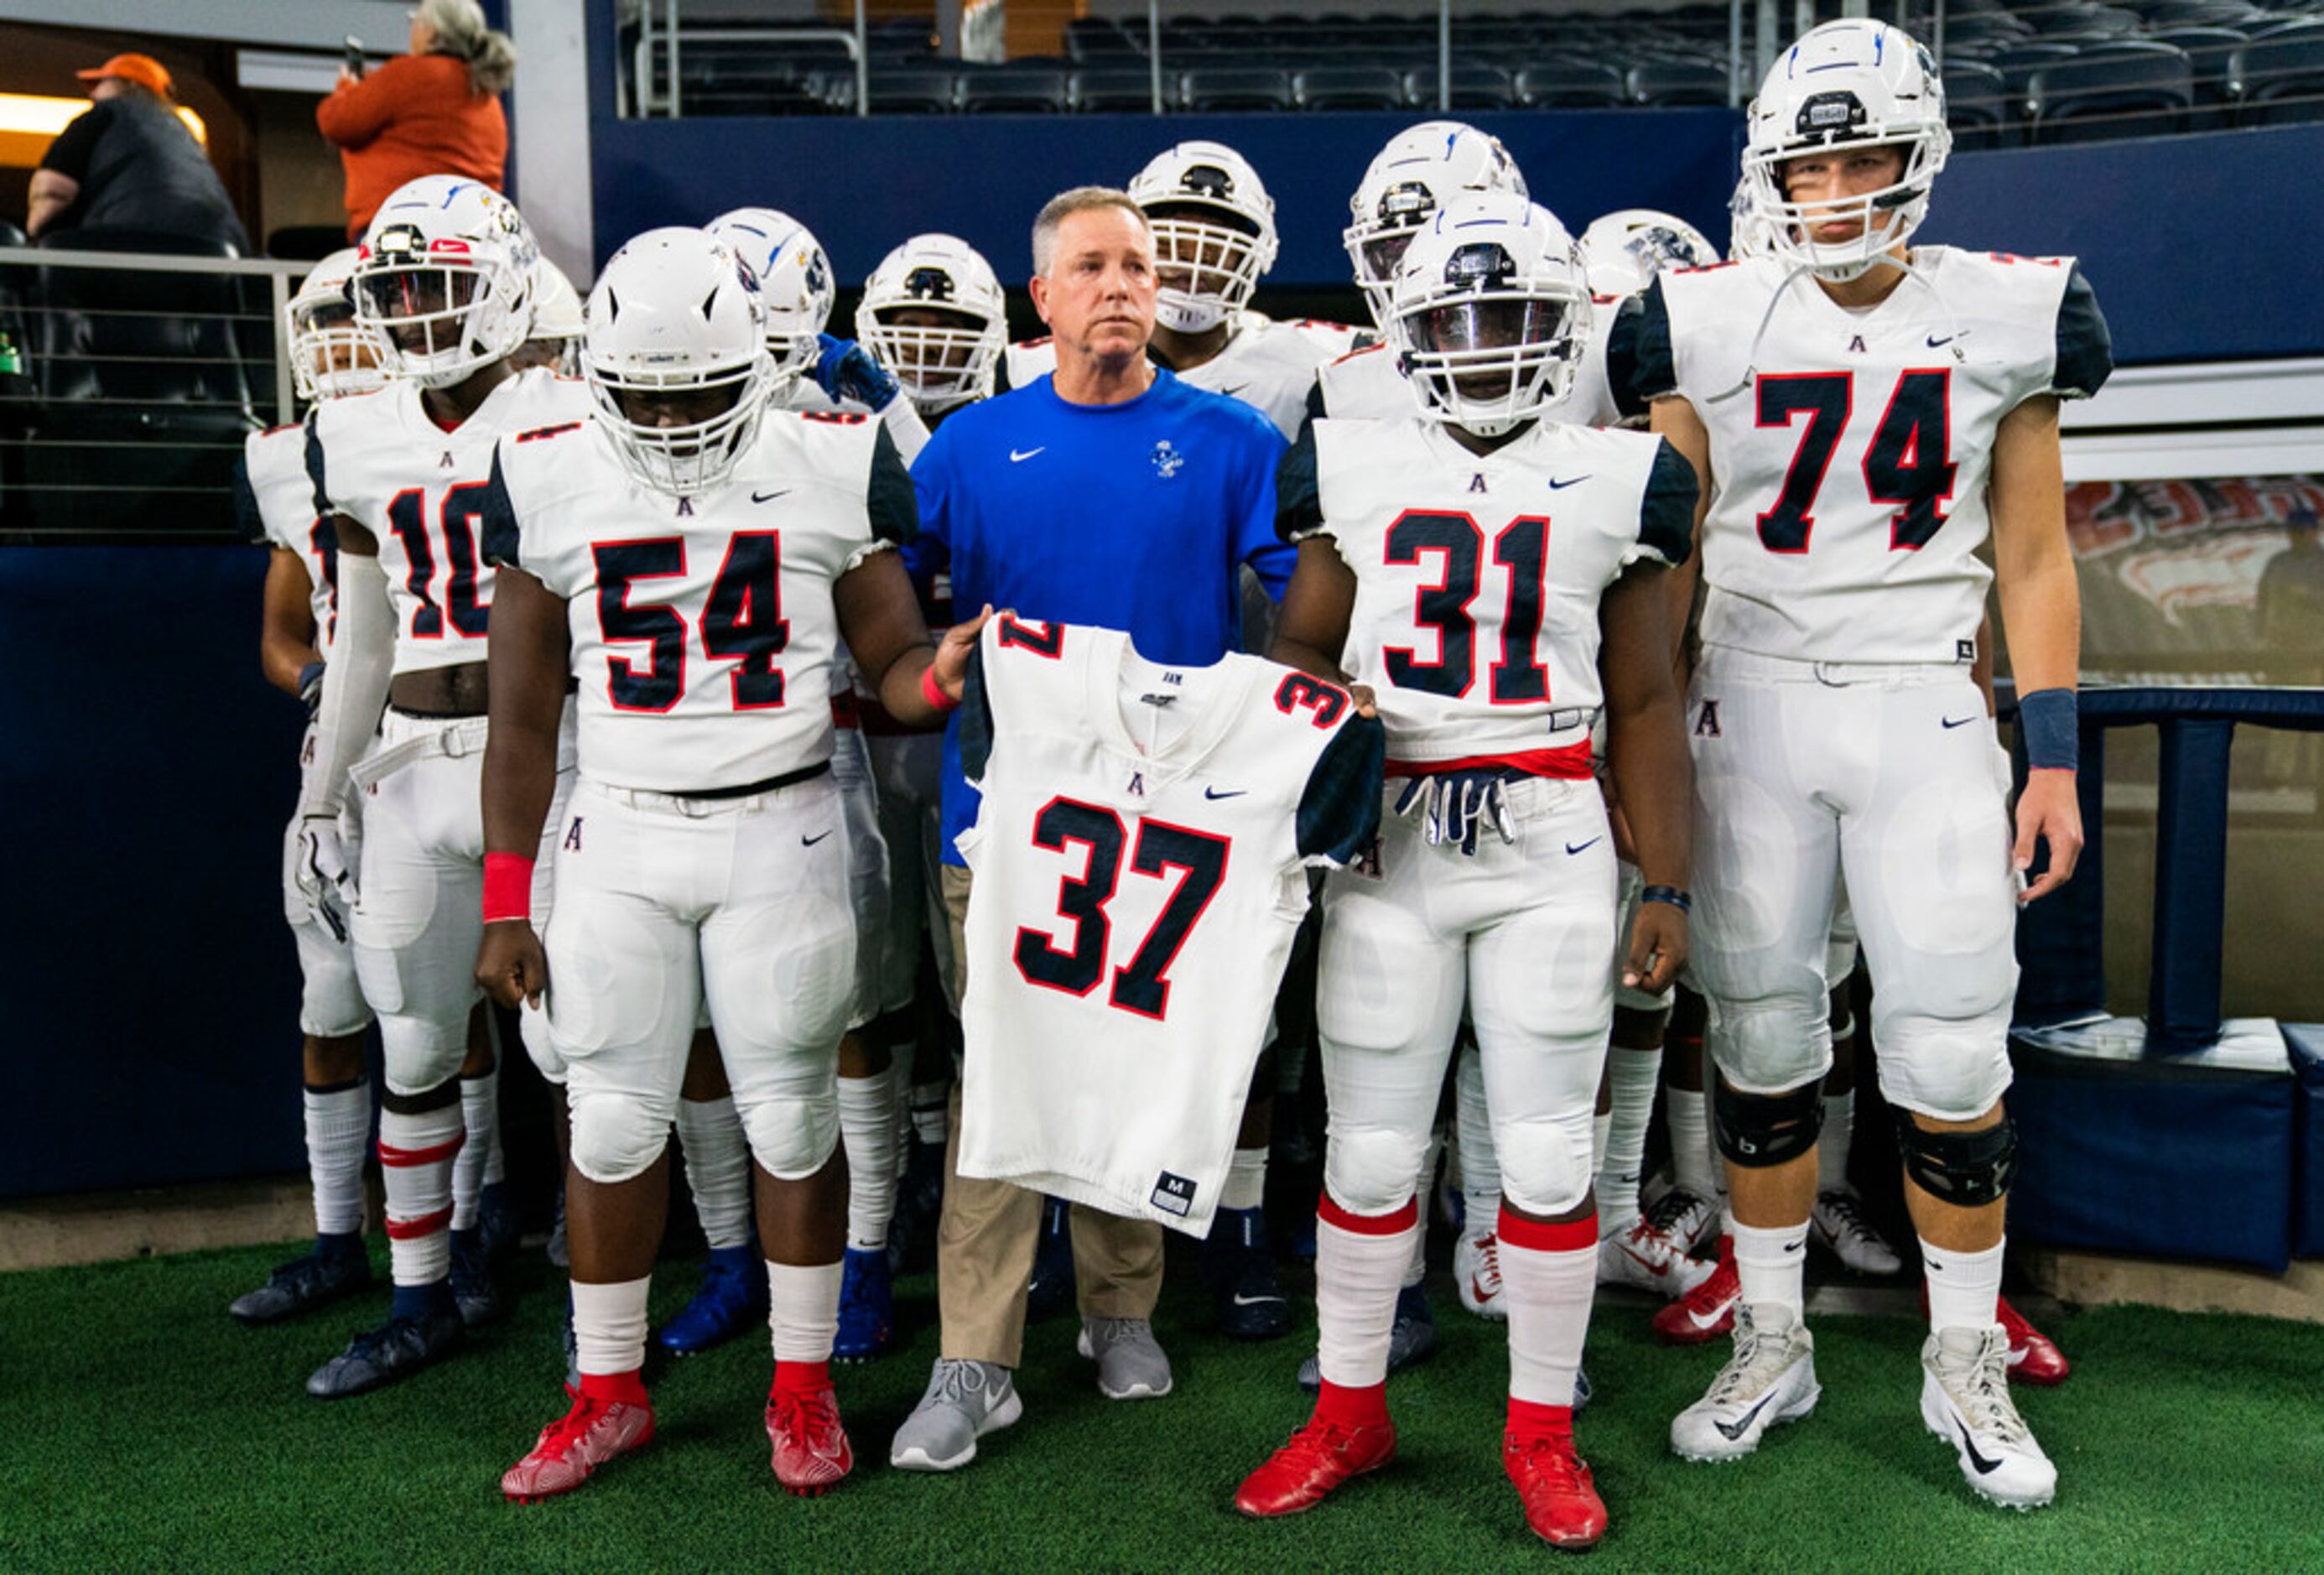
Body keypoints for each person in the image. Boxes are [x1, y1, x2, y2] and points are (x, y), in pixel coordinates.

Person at [1630, 19, 2108, 1510]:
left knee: (1955, 1047)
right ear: (1768, 171)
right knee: (1764, 1036)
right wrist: (1637, 749)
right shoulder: (1703, 317)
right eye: (1807, 162)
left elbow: (2031, 553)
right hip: (1753, 703)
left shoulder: (2004, 311)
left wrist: (2054, 756)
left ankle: (1958, 1355)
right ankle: (1775, 1334)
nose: (1834, 190)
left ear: (1922, 160)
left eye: (1864, 157)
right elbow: (1671, 559)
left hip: (1925, 703)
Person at [477, 226, 975, 1501]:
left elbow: (892, 665)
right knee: (611, 1122)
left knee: (794, 1117)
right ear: (597, 370)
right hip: (620, 824)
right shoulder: (540, 471)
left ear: (752, 366)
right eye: (641, 390)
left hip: (785, 822)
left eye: (694, 390)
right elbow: (524, 714)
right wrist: (502, 894)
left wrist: (945, 675)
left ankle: (802, 1390)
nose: (664, 416)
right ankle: (605, 1391)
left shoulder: (833, 455)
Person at [1235, 192, 1694, 1551]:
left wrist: (1663, 877)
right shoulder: (1355, 459)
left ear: (1567, 328)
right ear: (1406, 327)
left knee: (1549, 1157)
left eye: (1515, 316)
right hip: (1395, 831)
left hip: (1552, 830)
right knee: (1374, 1149)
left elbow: (1650, 697)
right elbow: (1300, 656)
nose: (1487, 341)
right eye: (1457, 317)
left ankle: (1538, 1430)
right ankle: (1349, 1410)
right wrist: (1319, 726)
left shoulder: (1623, 475)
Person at [886, 186, 1292, 1473]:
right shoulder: (964, 448)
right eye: (1089, 267)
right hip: (999, 816)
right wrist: (930, 665)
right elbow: (896, 627)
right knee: (1001, 1076)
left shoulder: (1228, 439)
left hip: (1168, 826)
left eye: (1137, 265)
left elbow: (1301, 614)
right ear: (1041, 297)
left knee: (1132, 1072)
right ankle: (974, 1354)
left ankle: (1119, 1308)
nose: (1119, 286)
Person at [292, 174, 586, 1397]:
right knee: (413, 1044)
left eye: (440, 286)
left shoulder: (575, 408)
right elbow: (360, 640)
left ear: (508, 282)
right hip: (411, 768)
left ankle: (595, 1300)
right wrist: (322, 792)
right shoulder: (351, 429)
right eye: (398, 289)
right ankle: (418, 1300)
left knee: (585, 1046)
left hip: (555, 764)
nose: (415, 313)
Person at [226, 249, 392, 1327]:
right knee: (328, 1001)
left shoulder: (457, 439)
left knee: (451, 1011)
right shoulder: (287, 461)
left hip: (434, 745)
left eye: (354, 330)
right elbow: (283, 633)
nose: (336, 354)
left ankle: (467, 1233)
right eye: (321, 334)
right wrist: (318, 681)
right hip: (332, 759)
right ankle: (339, 1236)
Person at [316, 0, 514, 242]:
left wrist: (347, 88)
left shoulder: (407, 75)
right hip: (474, 238)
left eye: (415, 22)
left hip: (401, 234)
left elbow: (336, 122)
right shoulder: (487, 96)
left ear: (431, 31)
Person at [28, 53, 246, 251]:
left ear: (128, 83)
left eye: (102, 82)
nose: (94, 92)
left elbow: (52, 191)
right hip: (215, 247)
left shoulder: (107, 112)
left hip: (131, 240)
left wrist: (37, 236)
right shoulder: (187, 134)